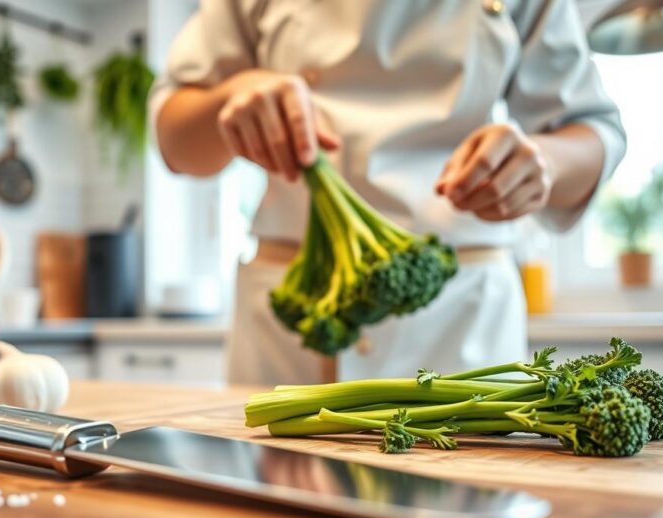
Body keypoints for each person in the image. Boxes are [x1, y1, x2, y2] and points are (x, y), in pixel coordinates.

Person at [152, 0, 626, 385]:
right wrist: (231, 97)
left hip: (463, 313)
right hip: (296, 313)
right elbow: (175, 139)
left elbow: (593, 129)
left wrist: (543, 162)